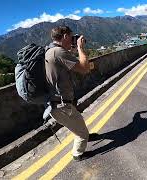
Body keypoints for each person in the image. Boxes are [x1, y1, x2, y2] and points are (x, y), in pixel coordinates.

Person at [44, 26, 97, 161]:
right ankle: (77, 154)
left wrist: (73, 48)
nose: (73, 40)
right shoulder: (58, 52)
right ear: (65, 36)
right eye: (71, 37)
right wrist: (80, 47)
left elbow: (67, 61)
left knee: (78, 121)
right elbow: (84, 69)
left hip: (57, 103)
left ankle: (84, 135)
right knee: (82, 133)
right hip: (61, 105)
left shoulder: (51, 51)